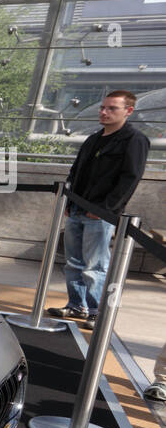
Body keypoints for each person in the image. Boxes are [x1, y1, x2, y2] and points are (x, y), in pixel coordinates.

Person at [47, 90, 150, 328]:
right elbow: (76, 171)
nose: (104, 112)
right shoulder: (93, 138)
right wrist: (69, 202)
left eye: (112, 108)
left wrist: (105, 209)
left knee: (96, 265)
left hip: (100, 213)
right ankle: (77, 304)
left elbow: (130, 178)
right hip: (77, 209)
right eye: (103, 108)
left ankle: (96, 311)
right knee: (73, 262)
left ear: (129, 111)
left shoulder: (134, 140)